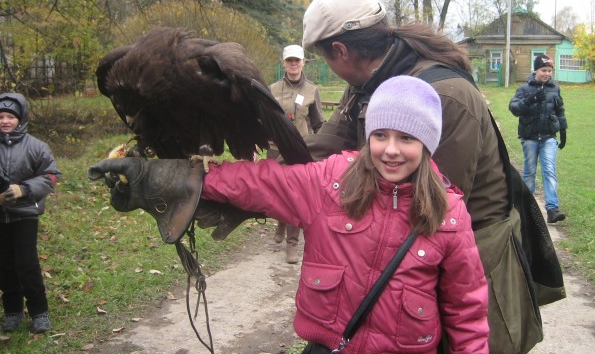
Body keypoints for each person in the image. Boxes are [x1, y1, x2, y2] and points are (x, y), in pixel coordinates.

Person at [89, 76, 489, 353]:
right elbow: (259, 182)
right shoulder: (332, 183)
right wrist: (173, 176)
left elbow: (467, 311)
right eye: (381, 135)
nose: (390, 149)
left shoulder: (449, 216)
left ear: (428, 143)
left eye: (407, 138)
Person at [299, 0, 561, 353]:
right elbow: (328, 142)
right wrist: (255, 177)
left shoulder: (444, 95)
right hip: (416, 254)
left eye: (326, 59)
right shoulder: (369, 85)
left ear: (340, 51)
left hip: (474, 258)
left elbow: (424, 209)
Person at [0, 93, 60, 334]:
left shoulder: (36, 146)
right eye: (0, 116)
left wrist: (23, 189)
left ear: (21, 119)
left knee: (26, 264)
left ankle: (39, 311)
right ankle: (12, 311)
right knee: (4, 265)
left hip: (25, 214)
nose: (4, 121)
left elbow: (51, 176)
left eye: (10, 117)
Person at [269, 44, 324, 263]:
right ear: (284, 63)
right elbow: (263, 119)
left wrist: (323, 147)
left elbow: (319, 122)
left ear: (303, 63)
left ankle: (292, 243)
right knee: (277, 194)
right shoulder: (271, 89)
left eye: (297, 60)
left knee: (295, 195)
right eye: (289, 60)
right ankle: (281, 221)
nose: (293, 64)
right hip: (274, 149)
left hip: (300, 150)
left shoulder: (312, 90)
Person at [508, 54, 568, 224]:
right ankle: (527, 208)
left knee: (549, 170)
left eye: (549, 70)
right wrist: (530, 99)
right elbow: (513, 108)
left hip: (549, 136)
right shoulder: (524, 89)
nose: (547, 74)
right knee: (530, 172)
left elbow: (560, 111)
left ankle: (552, 208)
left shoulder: (555, 89)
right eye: (543, 70)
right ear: (536, 70)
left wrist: (563, 130)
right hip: (530, 137)